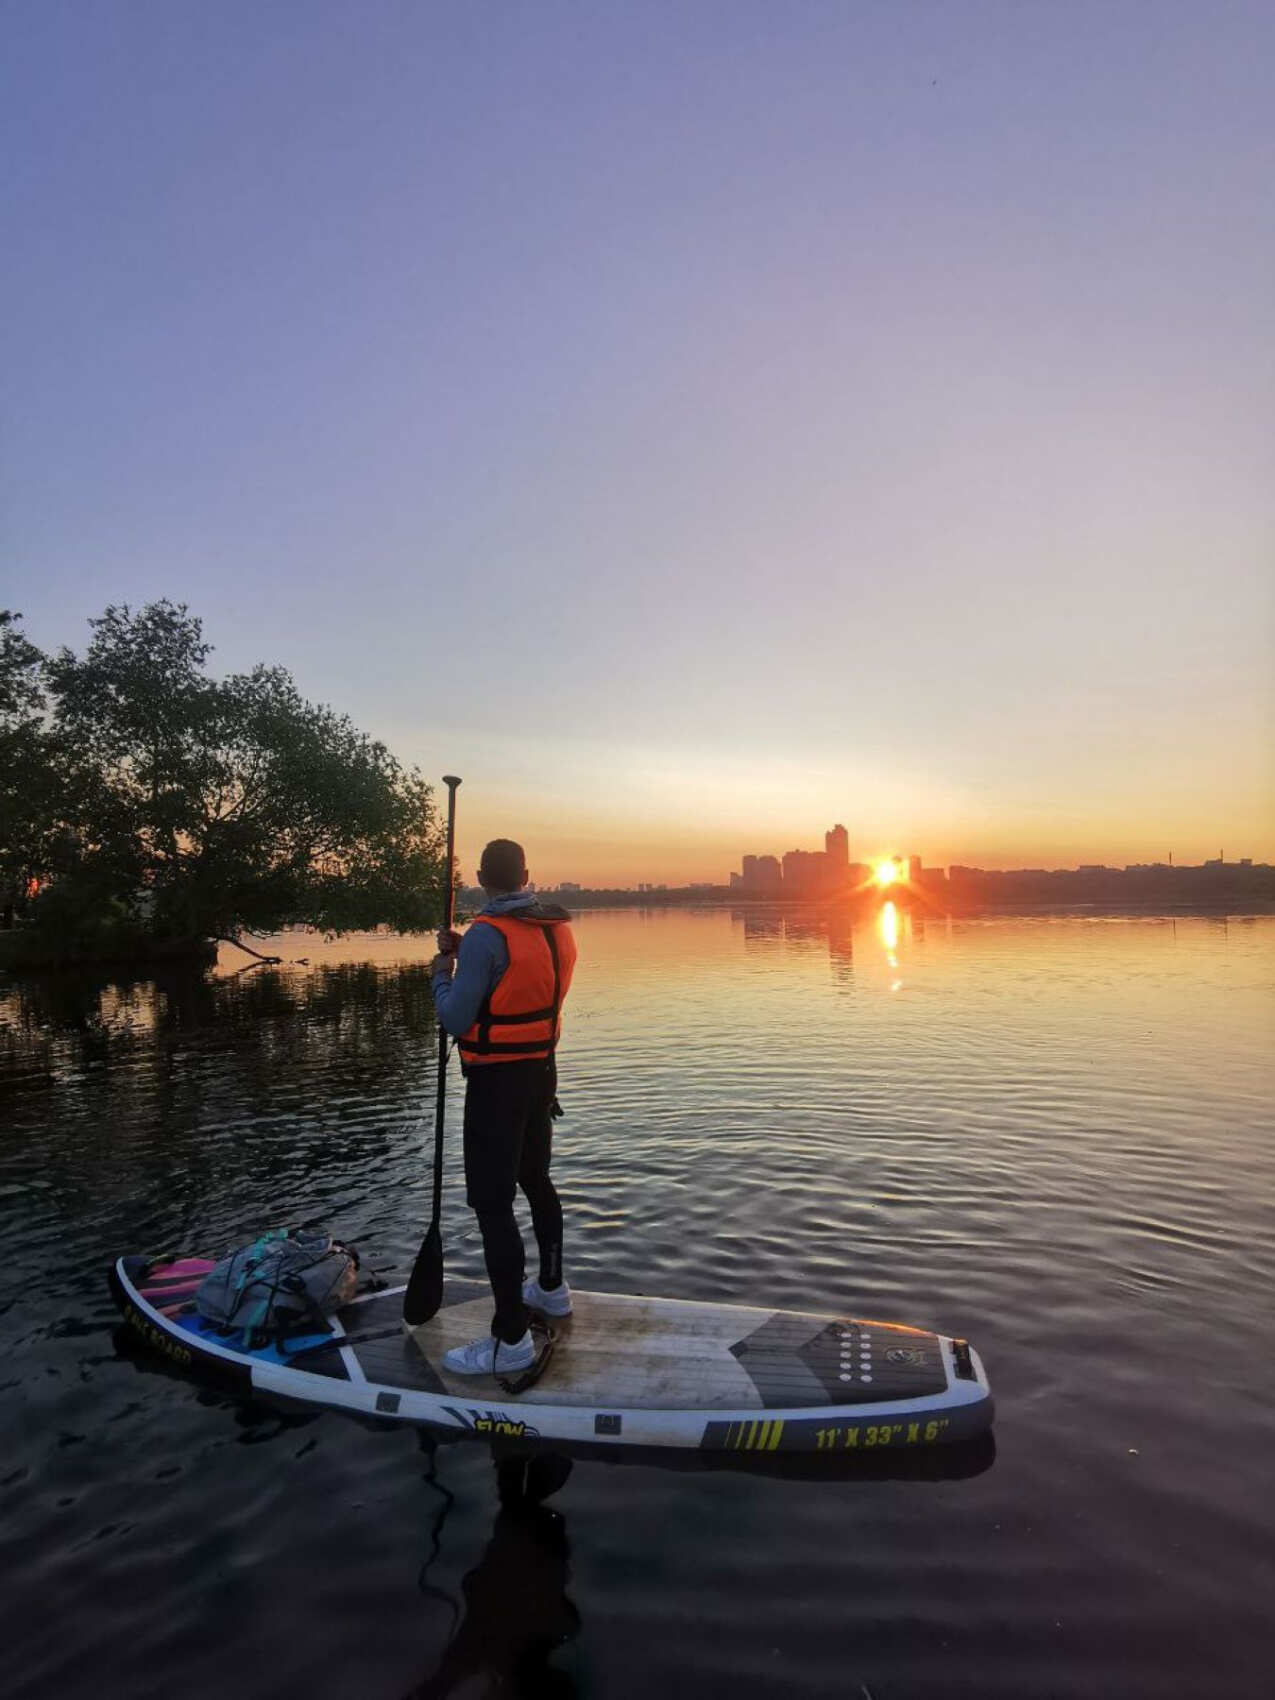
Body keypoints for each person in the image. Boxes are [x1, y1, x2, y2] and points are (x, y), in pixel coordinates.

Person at [430, 838, 578, 1376]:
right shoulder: (558, 928)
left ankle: (510, 1338)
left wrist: (440, 972)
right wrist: (465, 947)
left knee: (493, 1206)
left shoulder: (486, 939)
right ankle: (552, 1289)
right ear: (526, 875)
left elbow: (453, 1017)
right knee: (536, 1181)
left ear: (479, 876)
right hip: (542, 1074)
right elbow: (512, 969)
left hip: (496, 1083)